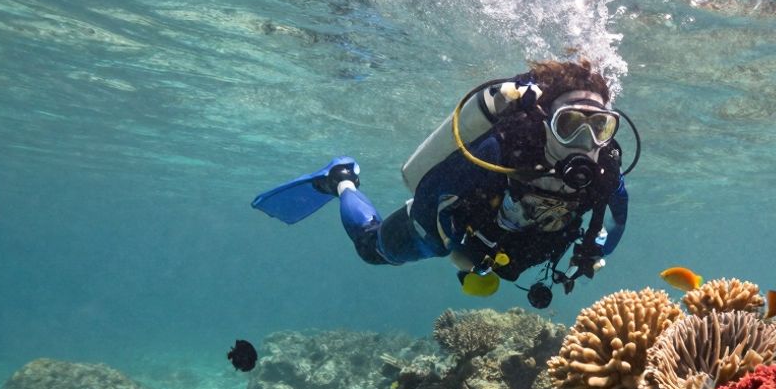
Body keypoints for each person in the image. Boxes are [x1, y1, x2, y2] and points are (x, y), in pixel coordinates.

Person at [254, 59, 635, 309]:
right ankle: (341, 181)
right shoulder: (504, 149)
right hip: (441, 230)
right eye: (570, 124)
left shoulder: (605, 169)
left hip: (506, 248)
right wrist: (452, 247)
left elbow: (617, 219)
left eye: (599, 126)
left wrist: (597, 249)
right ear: (547, 120)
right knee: (371, 249)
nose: (586, 142)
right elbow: (430, 191)